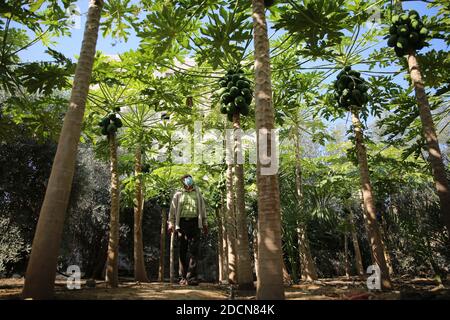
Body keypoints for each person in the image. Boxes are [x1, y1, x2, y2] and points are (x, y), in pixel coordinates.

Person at [168, 174, 208, 286]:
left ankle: (192, 278)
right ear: (183, 182)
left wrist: (204, 224)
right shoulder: (178, 194)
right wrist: (171, 223)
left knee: (194, 250)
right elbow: (172, 210)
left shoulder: (198, 194)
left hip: (195, 223)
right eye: (186, 179)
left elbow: (203, 209)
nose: (188, 181)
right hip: (181, 224)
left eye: (189, 178)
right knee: (182, 250)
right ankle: (182, 277)